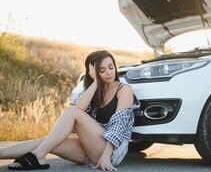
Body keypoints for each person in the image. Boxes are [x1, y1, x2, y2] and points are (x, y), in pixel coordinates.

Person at [0, 50, 139, 171]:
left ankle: (38, 156)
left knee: (70, 114)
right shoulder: (93, 90)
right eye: (101, 70)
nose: (109, 72)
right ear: (93, 73)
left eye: (111, 67)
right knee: (49, 141)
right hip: (90, 148)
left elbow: (118, 127)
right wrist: (96, 82)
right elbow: (78, 110)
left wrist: (106, 157)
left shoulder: (124, 90)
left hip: (112, 152)